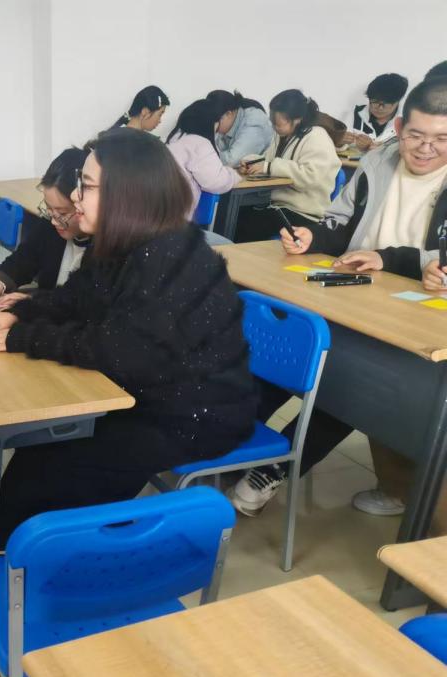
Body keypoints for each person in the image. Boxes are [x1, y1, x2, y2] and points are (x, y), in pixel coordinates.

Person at [0, 129, 257, 558]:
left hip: (194, 413)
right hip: (149, 391)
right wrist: (20, 313)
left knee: (70, 449)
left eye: (86, 185)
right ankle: (0, 532)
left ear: (127, 194)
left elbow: (115, 350)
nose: (76, 196)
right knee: (49, 441)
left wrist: (22, 337)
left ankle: (10, 543)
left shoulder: (168, 256)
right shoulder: (126, 242)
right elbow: (76, 297)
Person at [228, 77, 447, 518]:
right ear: (399, 128)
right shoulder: (378, 160)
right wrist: (314, 237)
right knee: (279, 360)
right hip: (357, 296)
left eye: (442, 139)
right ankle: (227, 444)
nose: (426, 149)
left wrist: (399, 260)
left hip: (419, 317)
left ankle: (272, 466)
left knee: (346, 385)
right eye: (416, 136)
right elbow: (341, 220)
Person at [0, 146, 90, 309]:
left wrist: (35, 302)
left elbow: (81, 308)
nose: (54, 220)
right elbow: (22, 260)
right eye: (49, 208)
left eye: (62, 213)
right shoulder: (50, 226)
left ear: (84, 205)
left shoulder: (103, 249)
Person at [234, 89, 341, 242]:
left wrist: (268, 167)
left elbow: (310, 176)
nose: (274, 128)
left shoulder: (317, 136)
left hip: (304, 213)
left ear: (297, 119)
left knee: (248, 225)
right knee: (239, 215)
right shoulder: (284, 135)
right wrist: (250, 162)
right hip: (279, 207)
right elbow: (269, 159)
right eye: (273, 123)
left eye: (278, 124)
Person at [166, 99, 242, 237]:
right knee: (226, 244)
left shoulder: (174, 139)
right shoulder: (199, 143)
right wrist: (234, 174)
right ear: (210, 123)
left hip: (157, 223)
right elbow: (217, 182)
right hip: (174, 230)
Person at [344, 73, 409, 152]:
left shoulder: (408, 122)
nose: (380, 108)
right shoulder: (355, 114)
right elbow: (339, 146)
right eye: (375, 102)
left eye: (385, 103)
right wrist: (340, 142)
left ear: (397, 101)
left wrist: (380, 149)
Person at [207, 89, 274, 167]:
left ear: (229, 114)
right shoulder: (226, 123)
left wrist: (204, 157)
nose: (212, 124)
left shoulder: (254, 122)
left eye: (214, 120)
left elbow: (231, 161)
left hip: (273, 172)